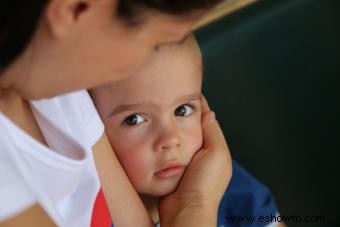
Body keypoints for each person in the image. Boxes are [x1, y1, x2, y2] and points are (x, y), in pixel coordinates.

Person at [0, 1, 232, 227]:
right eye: (155, 42)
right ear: (74, 9)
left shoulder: (63, 93)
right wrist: (195, 207)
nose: (151, 61)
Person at [90, 35, 284, 227]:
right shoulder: (91, 215)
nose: (171, 139)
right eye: (134, 120)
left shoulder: (217, 177)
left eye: (182, 110)